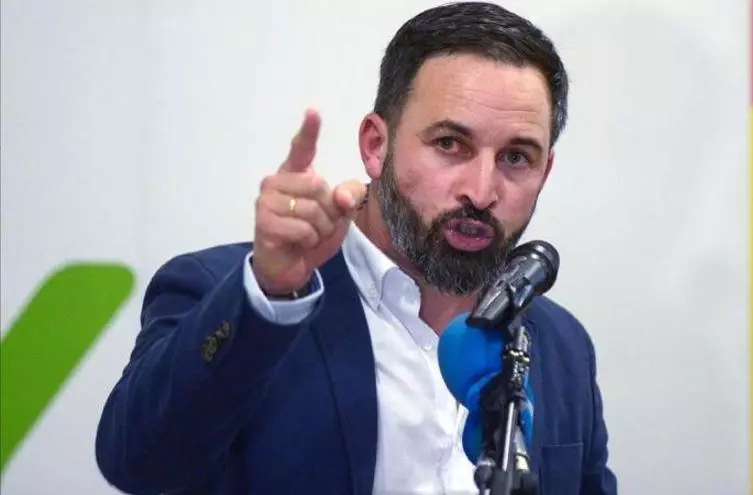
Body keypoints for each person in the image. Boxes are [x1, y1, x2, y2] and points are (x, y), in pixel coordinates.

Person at [94, 2, 617, 494]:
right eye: (449, 144)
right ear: (375, 145)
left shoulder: (562, 344)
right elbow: (139, 464)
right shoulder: (235, 295)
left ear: (545, 170)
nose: (481, 192)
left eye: (516, 157)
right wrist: (270, 297)